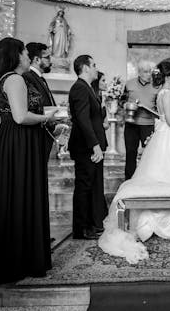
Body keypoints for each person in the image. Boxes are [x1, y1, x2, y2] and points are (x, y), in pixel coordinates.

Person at [98, 61, 170, 263]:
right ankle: (169, 222)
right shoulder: (168, 94)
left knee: (162, 175)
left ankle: (162, 217)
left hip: (165, 137)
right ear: (169, 75)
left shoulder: (163, 93)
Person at [0, 37, 58, 284]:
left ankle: (22, 258)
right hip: (19, 143)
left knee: (20, 197)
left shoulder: (12, 79)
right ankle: (19, 261)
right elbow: (20, 117)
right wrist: (47, 118)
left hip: (19, 142)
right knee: (21, 195)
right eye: (25, 53)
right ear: (15, 56)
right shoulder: (14, 79)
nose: (28, 57)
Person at [68, 55, 108, 240]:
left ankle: (91, 224)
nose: (95, 68)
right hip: (85, 147)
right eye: (93, 65)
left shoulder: (88, 88)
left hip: (91, 146)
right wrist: (95, 146)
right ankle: (81, 228)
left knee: (91, 185)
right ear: (84, 68)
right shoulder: (79, 88)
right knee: (84, 186)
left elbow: (92, 117)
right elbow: (83, 120)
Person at [120, 60, 160, 180]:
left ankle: (147, 180)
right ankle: (129, 181)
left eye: (150, 72)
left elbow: (159, 108)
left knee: (149, 155)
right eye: (146, 72)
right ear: (139, 72)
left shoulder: (156, 86)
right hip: (131, 124)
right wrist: (126, 104)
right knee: (130, 154)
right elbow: (121, 101)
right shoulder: (129, 84)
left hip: (148, 125)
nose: (149, 74)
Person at [22, 42, 57, 154]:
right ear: (37, 59)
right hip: (36, 134)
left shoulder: (39, 77)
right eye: (47, 57)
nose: (50, 61)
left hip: (44, 132)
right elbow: (33, 105)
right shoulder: (28, 77)